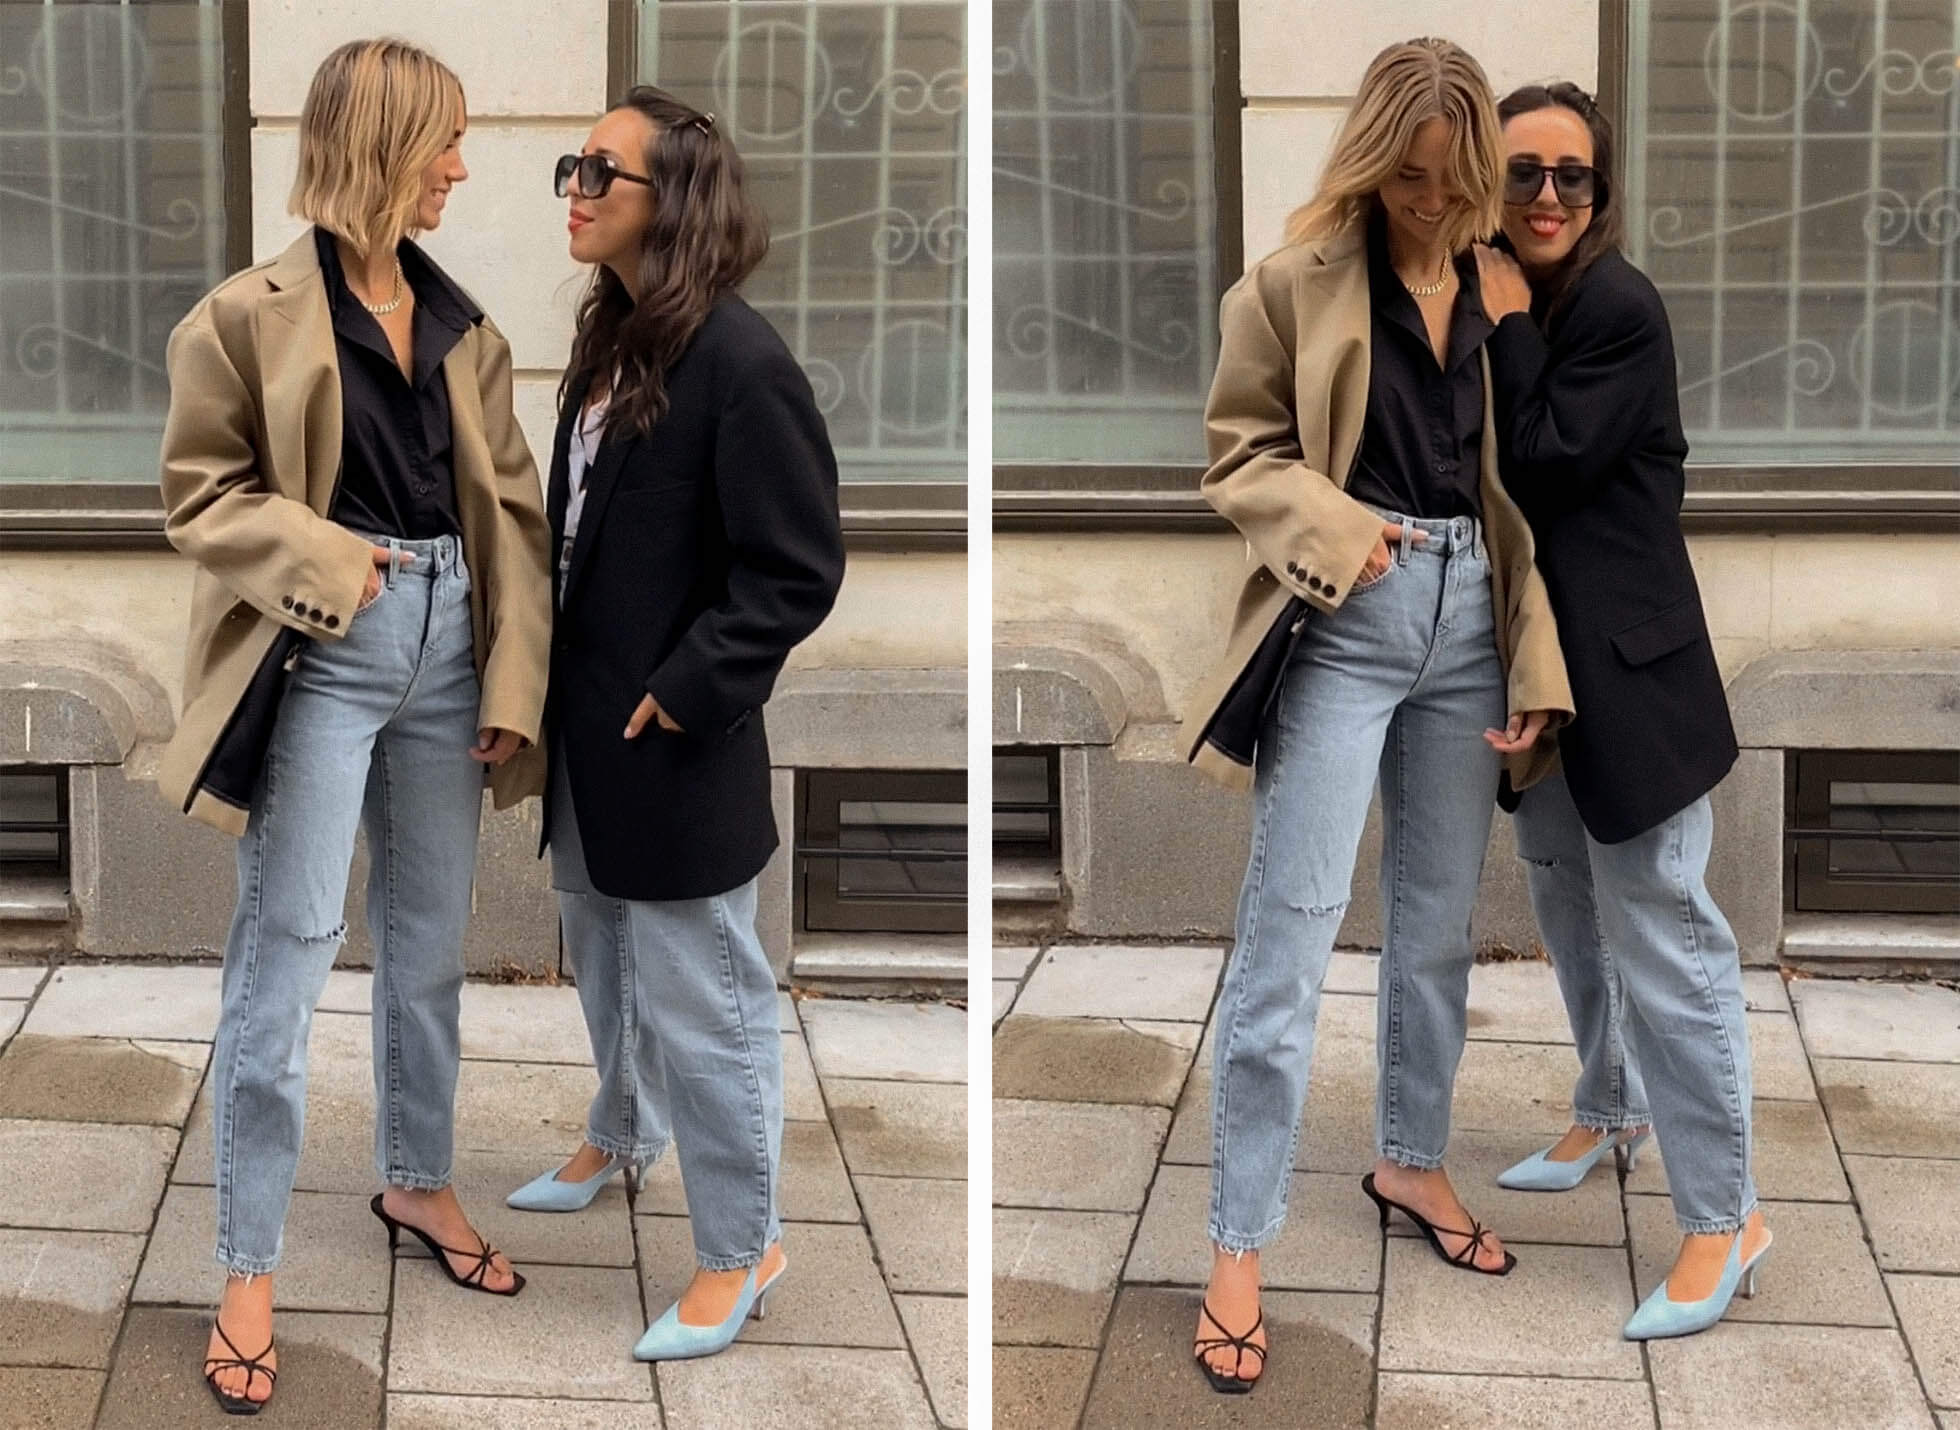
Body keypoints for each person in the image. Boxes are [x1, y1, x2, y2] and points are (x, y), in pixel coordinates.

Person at [156, 38, 552, 1414]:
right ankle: (247, 1265)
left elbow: (512, 517)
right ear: (381, 147)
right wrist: (339, 562)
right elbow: (202, 494)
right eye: (444, 141)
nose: (461, 168)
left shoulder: (464, 326)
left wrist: (509, 681)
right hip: (326, 643)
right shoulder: (242, 316)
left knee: (429, 941)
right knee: (288, 949)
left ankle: (417, 1180)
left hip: (450, 646)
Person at [1175, 37, 1573, 1393]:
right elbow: (1238, 452)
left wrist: (1532, 663)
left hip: (1471, 626)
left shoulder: (1502, 286)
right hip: (1350, 614)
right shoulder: (1292, 283)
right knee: (1287, 934)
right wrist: (1344, 532)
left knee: (1435, 928)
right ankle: (1237, 1242)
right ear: (1371, 159)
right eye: (1409, 176)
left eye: (1453, 178)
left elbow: (1527, 495)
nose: (1431, 200)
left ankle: (1409, 1159)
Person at [502, 86, 845, 1363]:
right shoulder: (611, 338)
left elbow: (796, 568)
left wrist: (691, 684)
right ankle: (621, 1130)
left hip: (676, 744)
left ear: (677, 201)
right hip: (589, 736)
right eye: (574, 166)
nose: (576, 189)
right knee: (603, 953)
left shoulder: (742, 363)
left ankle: (742, 1245)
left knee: (709, 1000)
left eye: (603, 170)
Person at [1475, 81, 1772, 1341]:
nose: (1547, 195)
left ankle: (1726, 1216)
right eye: (1523, 171)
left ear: (1600, 191)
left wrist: (1502, 328)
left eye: (1572, 176)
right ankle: (1610, 1109)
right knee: (1568, 906)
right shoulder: (1521, 294)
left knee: (1668, 940)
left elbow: (1543, 461)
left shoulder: (1611, 305)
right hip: (1551, 678)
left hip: (1634, 684)